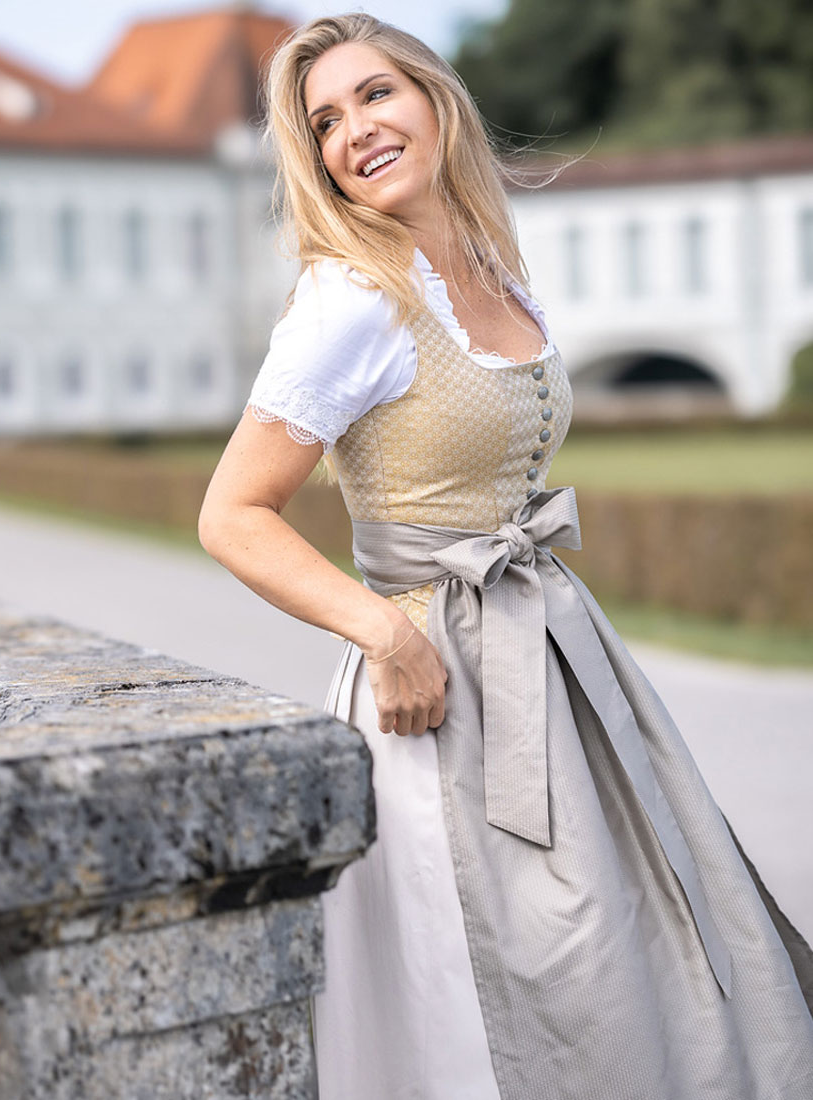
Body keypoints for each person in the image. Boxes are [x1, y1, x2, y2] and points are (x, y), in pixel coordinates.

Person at [198, 13, 813, 1099]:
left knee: (638, 925)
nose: (355, 130)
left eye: (374, 95)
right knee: (520, 968)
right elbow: (233, 513)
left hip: (546, 642)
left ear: (434, 98)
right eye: (324, 123)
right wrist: (386, 633)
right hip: (436, 688)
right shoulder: (352, 297)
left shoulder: (489, 265)